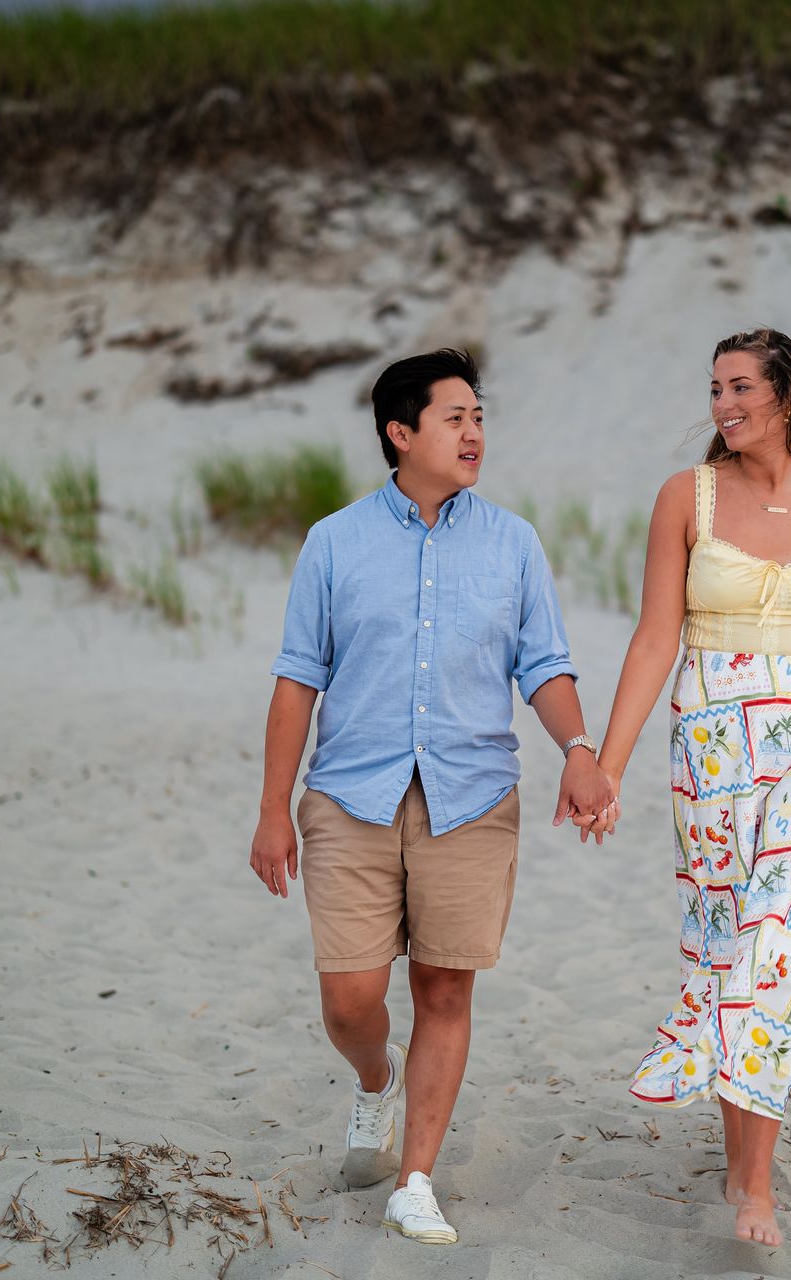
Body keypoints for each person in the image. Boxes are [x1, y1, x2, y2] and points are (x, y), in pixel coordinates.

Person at [248, 348, 617, 1246]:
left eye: (479, 417)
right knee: (350, 999)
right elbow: (299, 681)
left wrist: (577, 748)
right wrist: (270, 808)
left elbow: (546, 665)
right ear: (400, 433)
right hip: (349, 797)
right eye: (455, 418)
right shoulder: (333, 542)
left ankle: (416, 1178)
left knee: (445, 989)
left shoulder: (513, 542)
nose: (474, 433)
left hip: (473, 797)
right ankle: (376, 1082)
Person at [589, 327, 791, 1246]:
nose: (723, 405)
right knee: (725, 942)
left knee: (778, 948)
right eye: (715, 388)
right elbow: (654, 639)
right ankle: (737, 1166)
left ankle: (757, 1187)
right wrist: (608, 767)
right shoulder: (684, 498)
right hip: (711, 752)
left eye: (740, 389)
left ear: (788, 398)